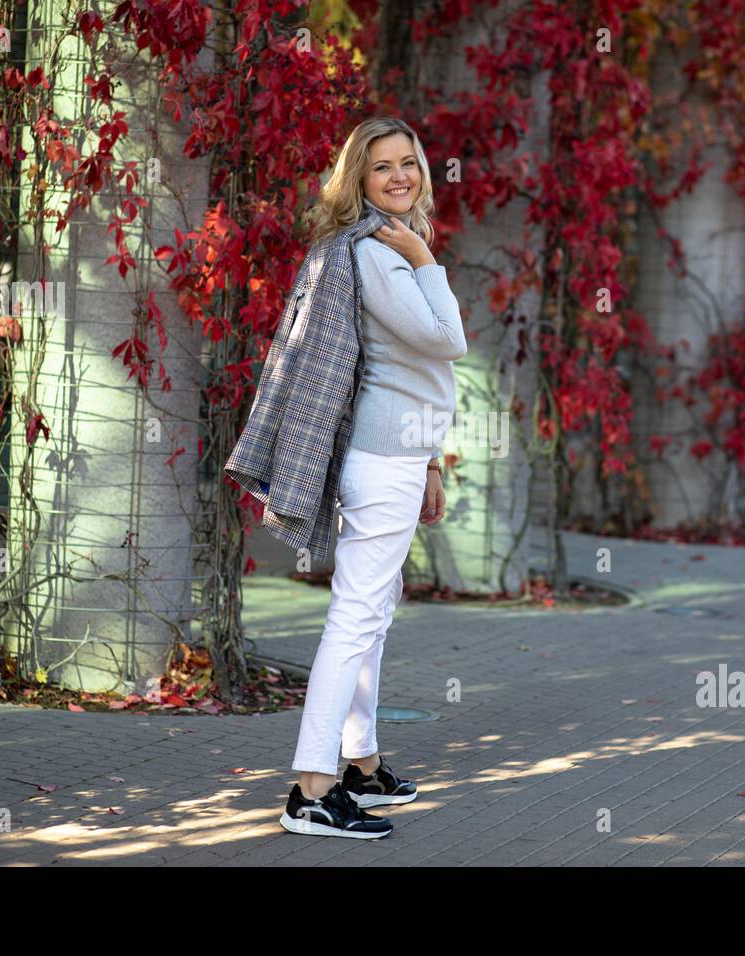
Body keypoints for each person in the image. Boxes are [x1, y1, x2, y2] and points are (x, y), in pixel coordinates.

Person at [278, 117, 467, 839]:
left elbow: (410, 371)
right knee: (355, 619)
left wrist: (429, 467)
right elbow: (445, 342)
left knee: (372, 617)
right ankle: (312, 790)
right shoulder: (384, 253)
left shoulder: (382, 247)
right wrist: (425, 256)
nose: (399, 177)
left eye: (409, 163)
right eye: (382, 166)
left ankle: (360, 765)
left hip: (400, 453)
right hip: (381, 457)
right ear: (357, 178)